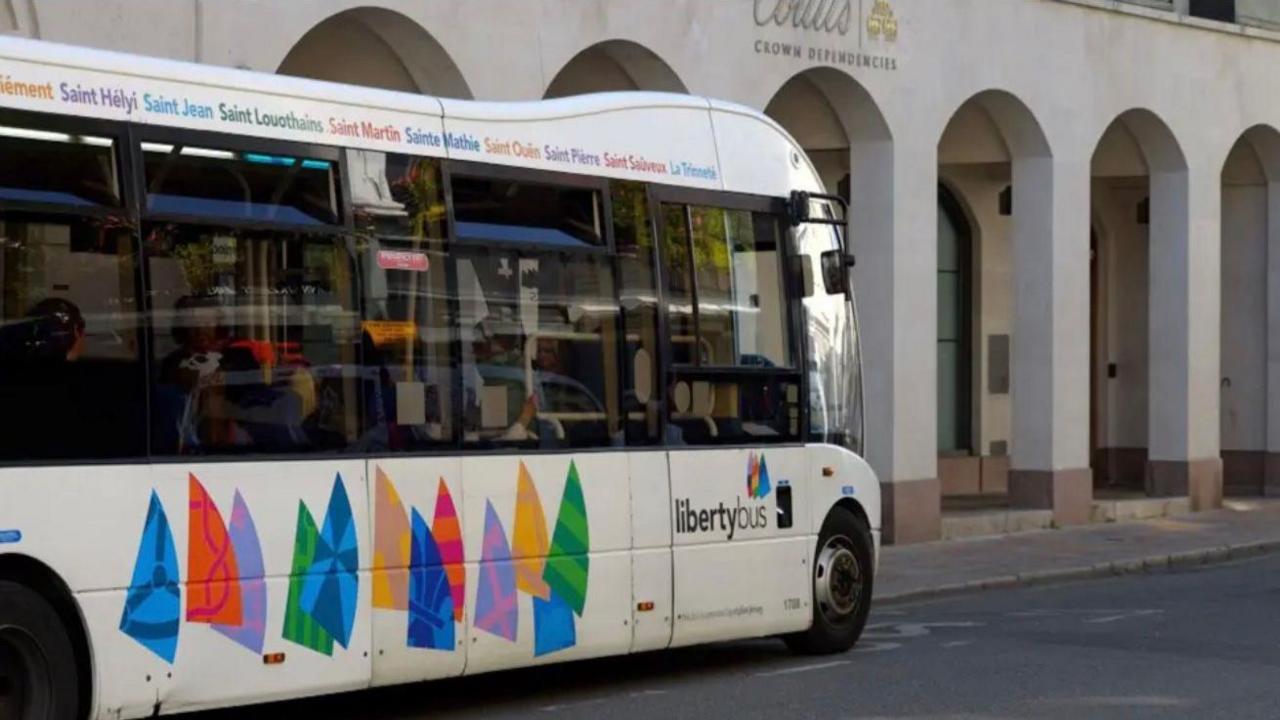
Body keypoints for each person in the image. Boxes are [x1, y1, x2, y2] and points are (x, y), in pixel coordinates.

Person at [465, 312, 538, 441]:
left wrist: (524, 420)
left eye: (478, 345)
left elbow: (502, 442)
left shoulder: (505, 376)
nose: (473, 351)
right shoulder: (511, 373)